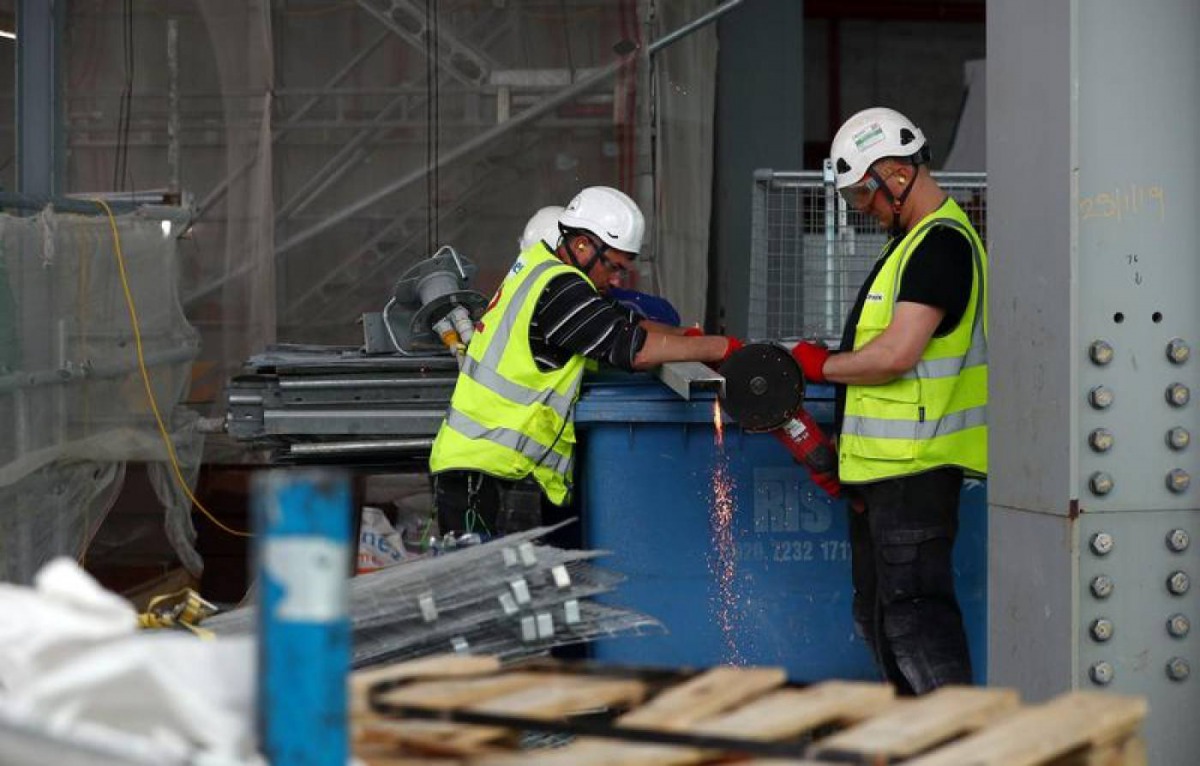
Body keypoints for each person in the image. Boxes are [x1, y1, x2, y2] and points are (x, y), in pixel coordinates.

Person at [791, 107, 987, 695]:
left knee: (916, 624)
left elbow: (898, 353)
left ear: (897, 174)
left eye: (864, 196)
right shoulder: (912, 246)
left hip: (915, 473)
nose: (863, 210)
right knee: (883, 621)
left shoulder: (940, 246)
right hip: (885, 475)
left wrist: (820, 366)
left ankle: (958, 750)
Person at [429, 186, 740, 537]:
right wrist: (722, 347)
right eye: (614, 266)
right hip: (486, 474)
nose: (619, 279)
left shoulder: (540, 271)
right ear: (582, 245)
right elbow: (633, 348)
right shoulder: (560, 289)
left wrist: (689, 337)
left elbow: (626, 321)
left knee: (519, 589)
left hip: (487, 468)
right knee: (497, 590)